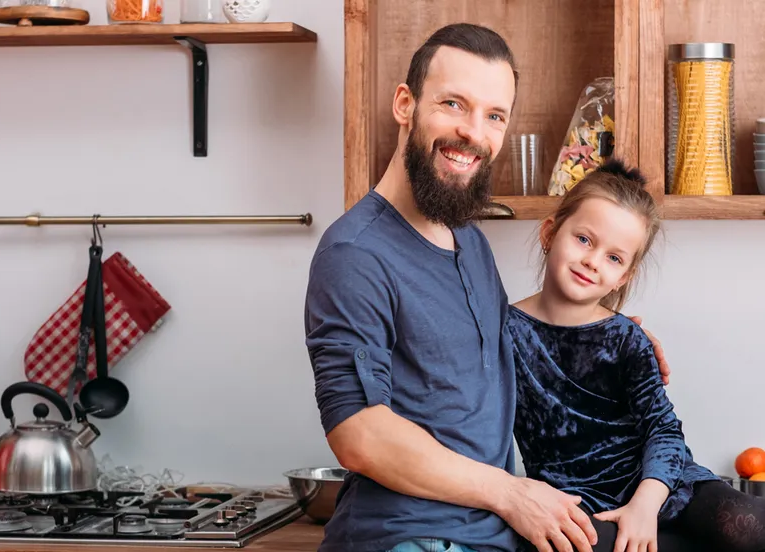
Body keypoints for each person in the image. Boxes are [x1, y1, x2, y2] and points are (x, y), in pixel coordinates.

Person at [303, 23, 669, 552]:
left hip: (493, 535)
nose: (474, 132)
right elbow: (358, 434)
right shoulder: (356, 252)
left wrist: (604, 338)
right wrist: (512, 493)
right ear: (405, 104)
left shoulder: (468, 240)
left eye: (494, 115)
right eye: (453, 104)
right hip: (411, 537)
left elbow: (501, 355)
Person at [509, 159, 765, 552]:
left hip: (661, 485)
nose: (593, 261)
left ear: (624, 276)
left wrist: (645, 505)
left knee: (748, 525)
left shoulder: (625, 337)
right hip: (578, 501)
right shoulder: (503, 332)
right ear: (549, 233)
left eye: (614, 258)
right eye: (584, 239)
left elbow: (663, 431)